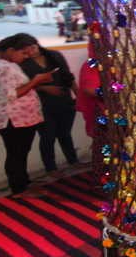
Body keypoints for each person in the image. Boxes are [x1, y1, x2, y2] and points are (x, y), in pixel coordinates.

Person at [0, 34, 55, 197]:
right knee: (17, 153)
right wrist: (36, 81)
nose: (27, 57)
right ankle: (18, 189)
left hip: (20, 117)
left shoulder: (4, 64)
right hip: (13, 119)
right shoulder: (2, 67)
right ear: (11, 50)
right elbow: (13, 94)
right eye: (24, 53)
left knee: (21, 152)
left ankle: (23, 181)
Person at [19, 35, 88, 179]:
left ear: (37, 44)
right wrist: (45, 88)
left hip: (65, 101)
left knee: (65, 134)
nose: (31, 53)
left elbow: (68, 77)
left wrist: (77, 96)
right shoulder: (23, 63)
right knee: (48, 137)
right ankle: (50, 168)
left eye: (32, 48)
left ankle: (73, 160)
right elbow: (21, 88)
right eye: (27, 51)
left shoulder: (54, 55)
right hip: (42, 106)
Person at [75, 41, 108, 192]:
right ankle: (103, 182)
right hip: (104, 113)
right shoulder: (92, 65)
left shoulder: (117, 62)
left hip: (119, 111)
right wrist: (118, 94)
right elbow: (90, 90)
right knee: (105, 148)